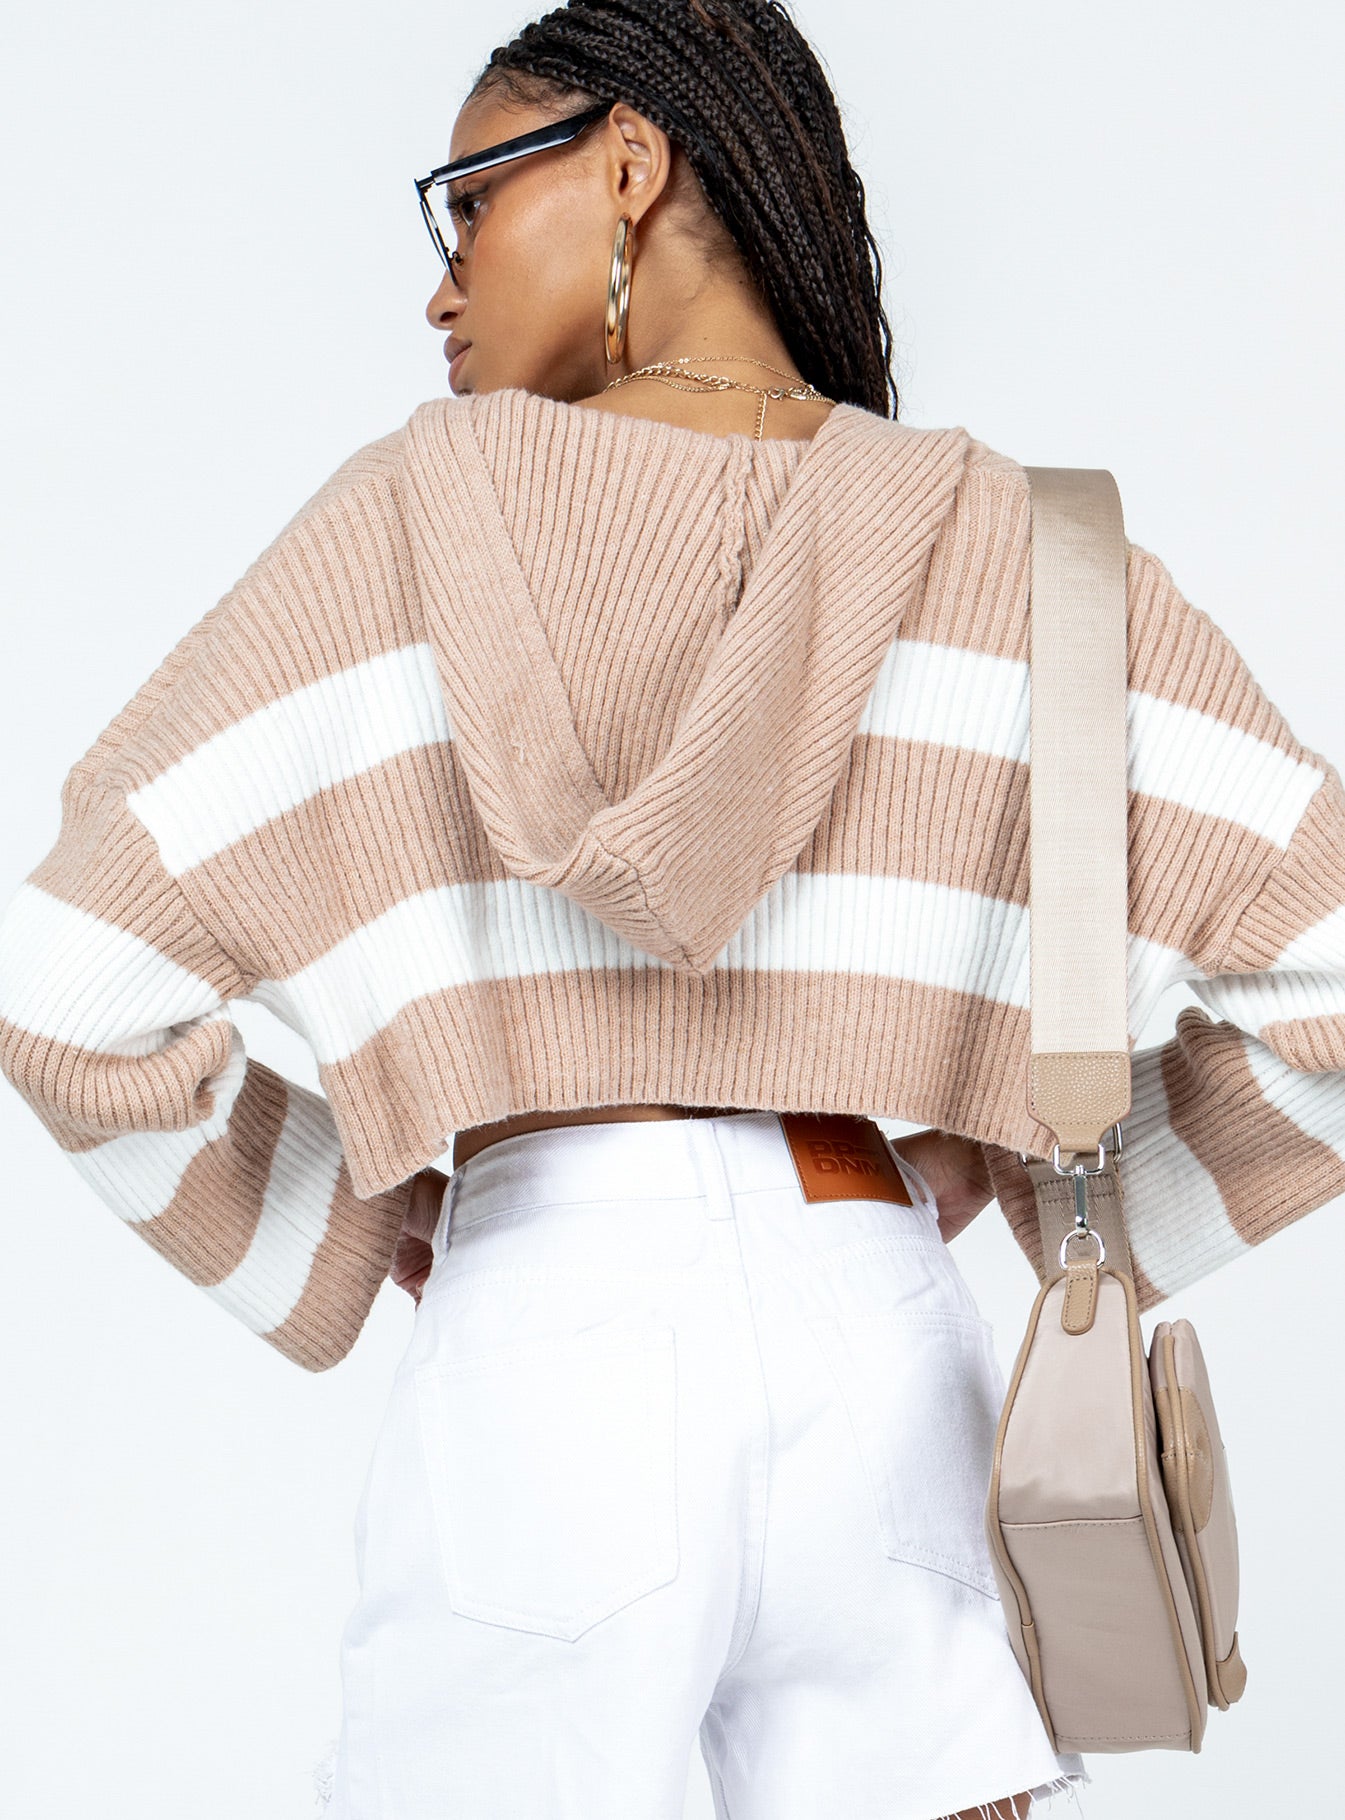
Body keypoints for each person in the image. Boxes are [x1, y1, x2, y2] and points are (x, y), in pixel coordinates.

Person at [2, 3, 1343, 1817]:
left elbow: (67, 991)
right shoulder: (1016, 549)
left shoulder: (401, 532)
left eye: (470, 202)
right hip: (877, 1332)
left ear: (629, 165)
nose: (441, 285)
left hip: (547, 1338)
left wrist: (353, 1216)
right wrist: (1020, 1172)